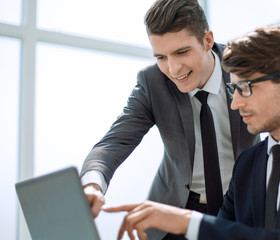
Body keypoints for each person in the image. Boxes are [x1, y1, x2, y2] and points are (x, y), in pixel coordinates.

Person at [102, 25, 280, 240]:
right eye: (233, 88)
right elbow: (222, 232)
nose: (235, 104)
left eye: (246, 88)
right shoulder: (248, 163)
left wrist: (183, 220)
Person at [80, 0, 259, 239]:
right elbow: (114, 143)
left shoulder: (244, 69)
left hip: (239, 209)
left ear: (207, 40)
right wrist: (92, 183)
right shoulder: (152, 83)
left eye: (181, 52)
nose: (173, 69)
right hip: (175, 211)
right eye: (161, 57)